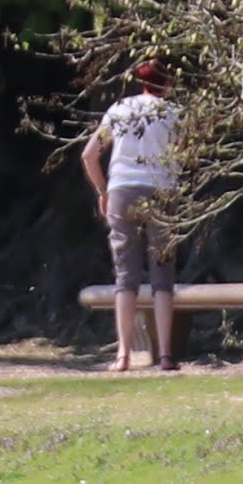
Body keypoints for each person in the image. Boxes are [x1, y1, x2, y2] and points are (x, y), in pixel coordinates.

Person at [81, 59, 184, 372]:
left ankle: (124, 354)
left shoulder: (120, 109)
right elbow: (185, 154)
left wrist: (104, 191)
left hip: (123, 189)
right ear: (166, 84)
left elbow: (89, 155)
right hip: (160, 190)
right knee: (162, 275)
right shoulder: (172, 113)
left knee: (125, 275)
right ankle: (166, 354)